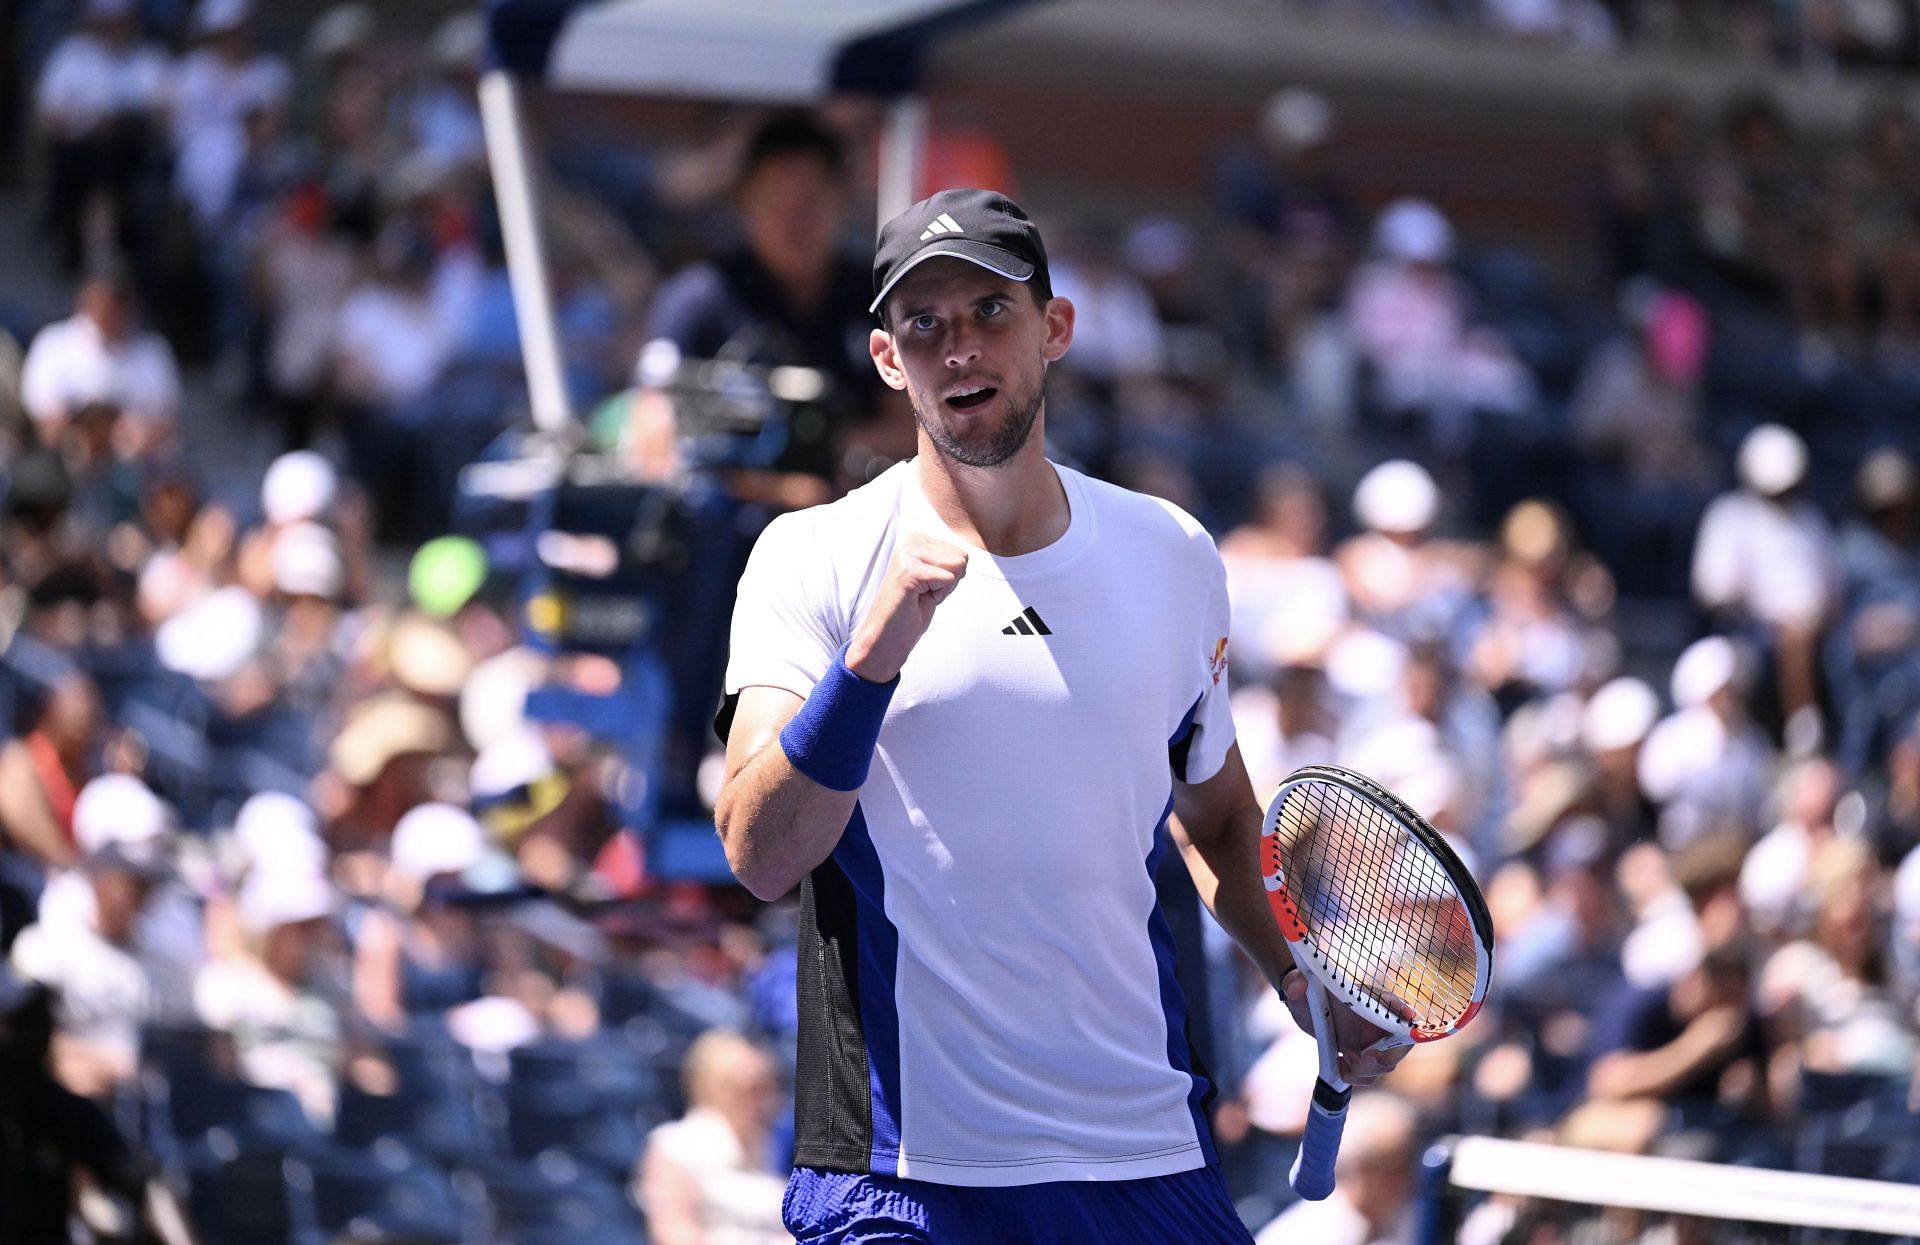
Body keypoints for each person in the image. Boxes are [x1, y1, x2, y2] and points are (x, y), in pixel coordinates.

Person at [714, 188, 1406, 1244]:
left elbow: (1217, 819)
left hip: (1147, 1152)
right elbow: (762, 854)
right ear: (888, 359)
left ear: (1056, 329)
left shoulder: (1171, 554)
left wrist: (1301, 981)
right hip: (903, 1175)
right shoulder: (810, 557)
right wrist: (869, 664)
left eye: (990, 311)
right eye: (924, 324)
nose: (958, 348)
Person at [636, 1029, 790, 1245]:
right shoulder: (675, 1145)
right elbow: (675, 1234)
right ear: (710, 1086)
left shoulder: (772, 1148)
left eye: (765, 1086)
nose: (760, 1099)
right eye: (746, 1088)